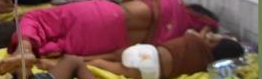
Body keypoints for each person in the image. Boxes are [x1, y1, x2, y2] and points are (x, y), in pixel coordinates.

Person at [0, 0, 220, 75]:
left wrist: (124, 3)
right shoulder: (178, 35)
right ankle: (42, 55)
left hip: (107, 15)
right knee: (61, 45)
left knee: (38, 17)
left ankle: (24, 49)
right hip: (112, 43)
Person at [86, 27, 244, 79]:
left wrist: (211, 35)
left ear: (215, 42)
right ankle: (87, 63)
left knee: (116, 55)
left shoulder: (195, 39)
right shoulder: (205, 67)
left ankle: (84, 59)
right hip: (150, 71)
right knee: (109, 66)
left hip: (145, 52)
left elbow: (200, 32)